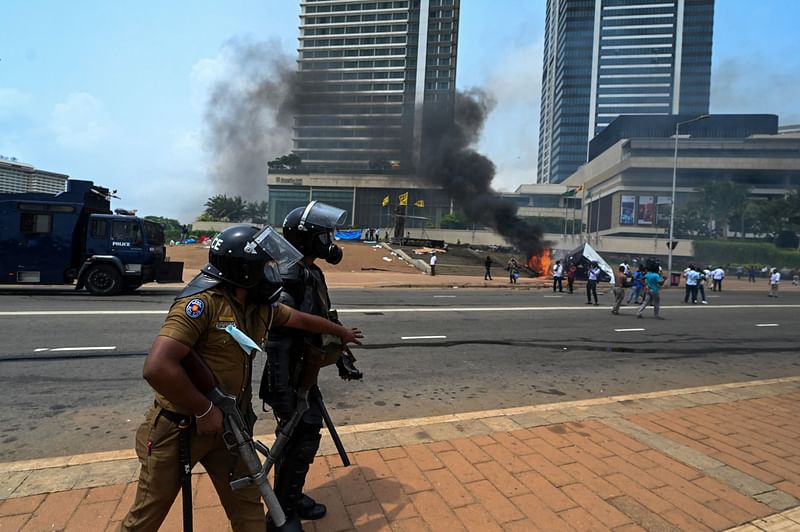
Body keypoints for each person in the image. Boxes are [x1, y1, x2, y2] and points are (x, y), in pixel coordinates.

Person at [120, 224, 363, 532]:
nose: (273, 272)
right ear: (245, 270)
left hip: (230, 429)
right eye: (266, 266)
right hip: (182, 427)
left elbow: (297, 318)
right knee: (147, 515)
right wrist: (203, 409)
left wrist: (338, 331)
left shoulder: (258, 305)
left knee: (248, 507)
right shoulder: (201, 303)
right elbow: (158, 367)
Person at [260, 202, 363, 529]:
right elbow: (276, 340)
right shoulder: (289, 276)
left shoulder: (310, 272)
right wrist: (285, 394)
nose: (330, 241)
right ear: (308, 239)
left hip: (307, 372)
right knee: (295, 441)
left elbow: (321, 320)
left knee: (303, 440)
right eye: (325, 234)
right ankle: (281, 515)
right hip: (288, 376)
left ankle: (291, 497)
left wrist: (341, 357)